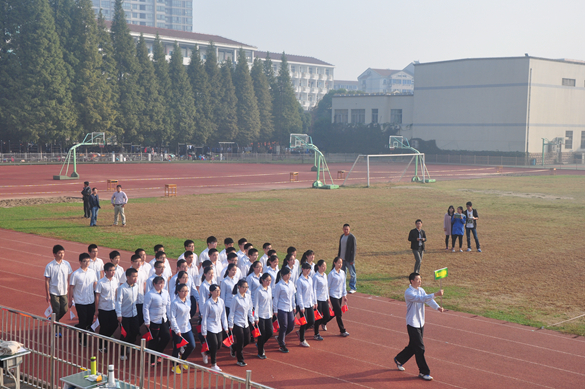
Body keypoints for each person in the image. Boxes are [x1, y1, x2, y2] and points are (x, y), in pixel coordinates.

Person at [394, 273, 444, 381]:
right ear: (412, 281)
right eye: (417, 279)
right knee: (420, 348)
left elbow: (428, 300)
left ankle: (399, 359)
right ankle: (423, 372)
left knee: (413, 346)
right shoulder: (409, 293)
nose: (420, 281)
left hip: (421, 323)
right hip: (412, 323)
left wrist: (437, 307)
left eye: (420, 279)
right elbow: (420, 299)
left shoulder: (421, 290)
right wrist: (435, 294)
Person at [69, 252, 98, 346]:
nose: (87, 263)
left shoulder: (92, 272)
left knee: (89, 320)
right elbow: (71, 287)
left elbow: (95, 284)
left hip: (90, 300)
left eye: (88, 261)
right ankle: (83, 339)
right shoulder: (76, 274)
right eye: (84, 261)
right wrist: (70, 300)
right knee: (83, 320)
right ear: (80, 262)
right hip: (80, 302)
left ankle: (81, 329)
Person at [143, 276, 171, 366]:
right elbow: (146, 308)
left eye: (162, 283)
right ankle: (151, 359)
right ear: (154, 284)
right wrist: (147, 321)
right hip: (153, 320)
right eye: (159, 283)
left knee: (166, 337)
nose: (161, 285)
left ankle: (158, 353)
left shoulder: (166, 293)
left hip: (163, 319)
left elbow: (168, 305)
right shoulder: (150, 294)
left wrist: (169, 317)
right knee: (153, 340)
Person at [169, 283, 196, 374]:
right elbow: (172, 317)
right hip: (178, 330)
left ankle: (183, 359)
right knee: (177, 348)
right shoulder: (175, 303)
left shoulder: (188, 301)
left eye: (186, 291)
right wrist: (176, 329)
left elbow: (188, 314)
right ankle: (175, 366)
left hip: (187, 328)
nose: (185, 293)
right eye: (183, 291)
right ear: (178, 292)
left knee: (192, 345)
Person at [201, 284, 228, 372]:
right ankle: (214, 364)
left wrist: (225, 326)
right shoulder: (208, 303)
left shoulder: (221, 301)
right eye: (216, 290)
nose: (218, 292)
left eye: (219, 290)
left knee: (219, 345)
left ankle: (206, 353)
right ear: (211, 292)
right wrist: (204, 331)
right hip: (210, 326)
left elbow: (223, 315)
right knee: (215, 344)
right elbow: (204, 318)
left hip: (219, 327)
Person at [228, 279, 255, 367]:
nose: (245, 289)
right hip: (237, 322)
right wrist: (230, 324)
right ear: (239, 287)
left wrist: (252, 320)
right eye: (244, 287)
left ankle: (234, 347)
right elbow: (231, 312)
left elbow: (250, 310)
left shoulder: (248, 297)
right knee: (240, 341)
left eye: (247, 287)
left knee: (247, 340)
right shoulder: (235, 299)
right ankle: (240, 359)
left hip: (245, 322)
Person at [44, 244, 73, 325]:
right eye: (60, 253)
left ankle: (53, 320)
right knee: (56, 310)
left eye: (63, 253)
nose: (62, 255)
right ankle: (57, 329)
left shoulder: (67, 264)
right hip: (54, 292)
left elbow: (70, 277)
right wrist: (48, 294)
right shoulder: (50, 266)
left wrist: (71, 290)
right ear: (54, 254)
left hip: (64, 291)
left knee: (64, 309)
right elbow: (47, 280)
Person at [116, 268, 140, 360]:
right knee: (125, 334)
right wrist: (119, 314)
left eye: (136, 276)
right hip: (125, 315)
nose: (135, 278)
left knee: (135, 331)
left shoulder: (136, 286)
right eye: (133, 276)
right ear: (128, 277)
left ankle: (129, 345)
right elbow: (118, 302)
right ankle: (122, 352)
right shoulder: (122, 288)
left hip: (134, 314)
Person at [95, 262, 119, 352]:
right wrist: (96, 310)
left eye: (114, 270)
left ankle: (106, 338)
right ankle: (102, 346)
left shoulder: (115, 280)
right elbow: (97, 296)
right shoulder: (101, 282)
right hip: (103, 308)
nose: (113, 272)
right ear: (105, 271)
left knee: (114, 324)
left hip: (113, 307)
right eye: (111, 270)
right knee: (104, 327)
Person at [273, 267, 296, 353]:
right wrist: (275, 310)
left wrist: (294, 306)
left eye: (290, 274)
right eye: (287, 274)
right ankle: (282, 344)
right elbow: (276, 298)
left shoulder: (291, 284)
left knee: (291, 326)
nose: (289, 276)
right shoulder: (279, 285)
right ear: (282, 275)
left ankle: (280, 337)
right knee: (284, 326)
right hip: (281, 308)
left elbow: (293, 296)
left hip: (289, 308)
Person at [253, 273, 274, 359]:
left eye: (269, 280)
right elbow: (256, 305)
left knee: (270, 332)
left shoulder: (269, 289)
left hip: (268, 314)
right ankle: (260, 352)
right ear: (262, 280)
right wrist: (256, 317)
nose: (268, 282)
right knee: (262, 334)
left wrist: (271, 312)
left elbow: (270, 301)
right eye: (266, 280)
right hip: (260, 315)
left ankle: (259, 344)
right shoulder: (258, 290)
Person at [296, 262, 316, 347]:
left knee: (312, 321)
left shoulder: (310, 279)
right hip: (303, 305)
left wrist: (314, 302)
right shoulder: (300, 280)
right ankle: (302, 340)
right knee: (304, 322)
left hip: (309, 303)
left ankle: (301, 332)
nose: (308, 271)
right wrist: (301, 306)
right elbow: (299, 294)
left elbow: (312, 292)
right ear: (302, 269)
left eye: (309, 269)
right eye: (306, 269)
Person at [328, 256, 349, 337]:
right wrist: (328, 297)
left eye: (341, 263)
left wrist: (345, 295)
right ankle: (342, 330)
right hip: (333, 295)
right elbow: (327, 286)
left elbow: (344, 285)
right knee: (339, 313)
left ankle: (322, 321)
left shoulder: (342, 273)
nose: (340, 265)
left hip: (339, 295)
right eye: (339, 263)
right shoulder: (331, 274)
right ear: (335, 263)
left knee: (334, 313)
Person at [312, 259, 330, 339]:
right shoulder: (316, 277)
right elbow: (314, 289)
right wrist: (315, 301)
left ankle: (317, 325)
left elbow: (326, 287)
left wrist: (328, 297)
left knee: (327, 316)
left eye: (325, 266)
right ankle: (316, 333)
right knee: (318, 317)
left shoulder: (325, 275)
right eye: (323, 266)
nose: (324, 268)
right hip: (318, 299)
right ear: (319, 267)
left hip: (324, 298)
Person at [338, 224, 357, 294]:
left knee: (352, 274)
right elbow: (340, 248)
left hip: (349, 259)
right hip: (342, 259)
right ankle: (343, 287)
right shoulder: (342, 236)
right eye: (344, 229)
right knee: (342, 274)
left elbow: (354, 249)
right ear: (343, 229)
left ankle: (353, 287)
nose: (346, 230)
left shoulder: (352, 237)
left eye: (347, 229)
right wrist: (339, 258)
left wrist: (352, 260)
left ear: (349, 229)